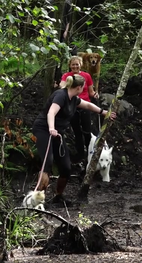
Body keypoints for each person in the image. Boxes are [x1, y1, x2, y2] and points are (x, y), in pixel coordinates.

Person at [33, 74, 116, 204]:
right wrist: (51, 128)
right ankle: (37, 200)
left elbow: (88, 105)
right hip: (45, 130)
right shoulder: (61, 95)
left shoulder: (74, 99)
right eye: (83, 87)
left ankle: (58, 196)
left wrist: (103, 112)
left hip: (57, 133)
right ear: (79, 87)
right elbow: (51, 112)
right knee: (47, 163)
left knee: (66, 167)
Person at [59, 56, 98, 164]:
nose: (75, 66)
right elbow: (62, 86)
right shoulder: (67, 76)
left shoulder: (86, 76)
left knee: (87, 131)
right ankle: (80, 155)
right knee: (77, 131)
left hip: (85, 105)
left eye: (77, 64)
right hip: (72, 106)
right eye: (73, 64)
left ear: (80, 64)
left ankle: (90, 154)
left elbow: (91, 92)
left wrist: (95, 95)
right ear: (70, 65)